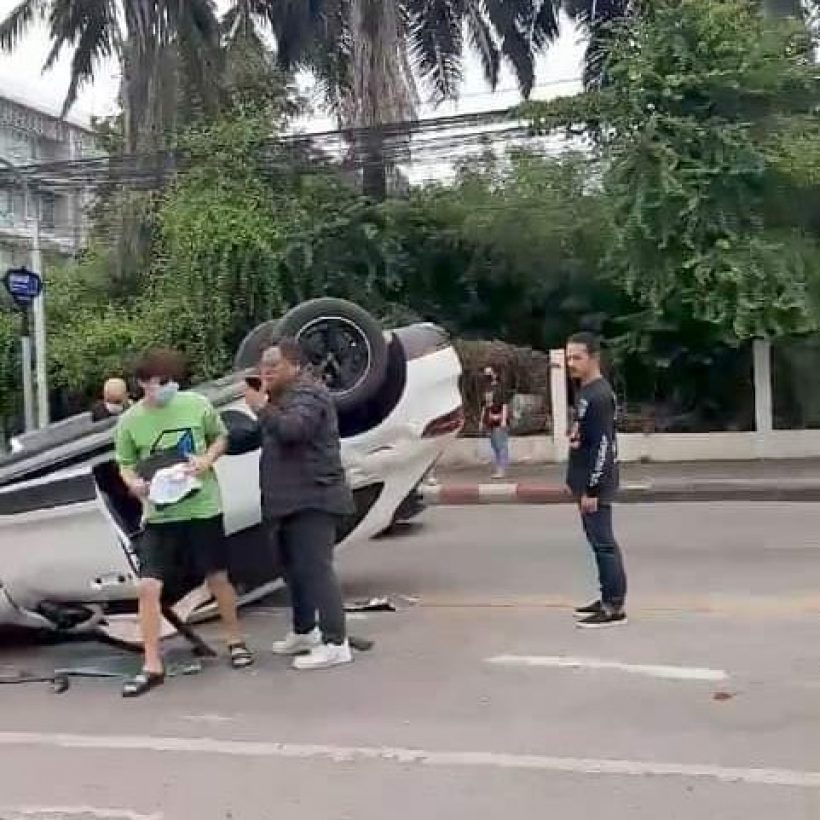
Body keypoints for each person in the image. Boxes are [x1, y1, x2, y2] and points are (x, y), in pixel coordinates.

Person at [114, 348, 253, 697]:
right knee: (148, 586)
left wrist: (206, 459)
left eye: (167, 382)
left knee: (217, 576)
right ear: (142, 384)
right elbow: (125, 463)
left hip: (202, 507)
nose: (161, 389)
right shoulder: (130, 421)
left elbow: (220, 437)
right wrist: (133, 484)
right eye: (154, 384)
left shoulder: (197, 405)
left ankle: (235, 640)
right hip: (159, 514)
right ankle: (151, 664)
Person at [244, 338, 355, 671]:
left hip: (314, 498)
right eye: (262, 366)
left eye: (273, 366)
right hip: (286, 501)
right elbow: (264, 435)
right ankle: (305, 631)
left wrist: (261, 408)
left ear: (294, 365)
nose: (265, 372)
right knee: (294, 571)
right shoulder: (280, 399)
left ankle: (336, 642)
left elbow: (293, 430)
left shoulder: (309, 394)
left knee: (316, 569)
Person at [565, 332, 628, 628]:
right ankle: (606, 597)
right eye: (568, 357)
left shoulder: (599, 395)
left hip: (594, 484)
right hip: (583, 481)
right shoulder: (587, 392)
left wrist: (591, 488)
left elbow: (603, 445)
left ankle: (613, 607)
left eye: (577, 357)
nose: (570, 363)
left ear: (593, 358)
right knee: (597, 543)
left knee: (604, 544)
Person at [479, 366, 510, 479]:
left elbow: (505, 404)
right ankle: (498, 468)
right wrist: (481, 420)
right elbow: (484, 406)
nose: (487, 375)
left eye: (489, 372)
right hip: (489, 420)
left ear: (495, 374)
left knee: (501, 445)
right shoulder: (486, 388)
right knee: (495, 446)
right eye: (485, 373)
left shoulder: (501, 388)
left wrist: (503, 419)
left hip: (498, 419)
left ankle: (502, 469)